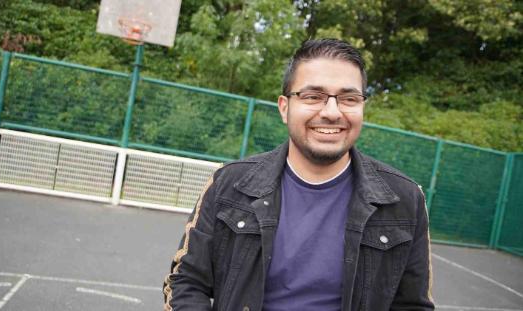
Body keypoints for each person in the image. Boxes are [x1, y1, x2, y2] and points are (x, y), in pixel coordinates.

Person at [163, 38, 434, 311]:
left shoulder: (405, 201)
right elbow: (185, 283)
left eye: (349, 98)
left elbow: (412, 305)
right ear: (284, 107)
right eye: (313, 96)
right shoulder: (229, 184)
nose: (331, 112)